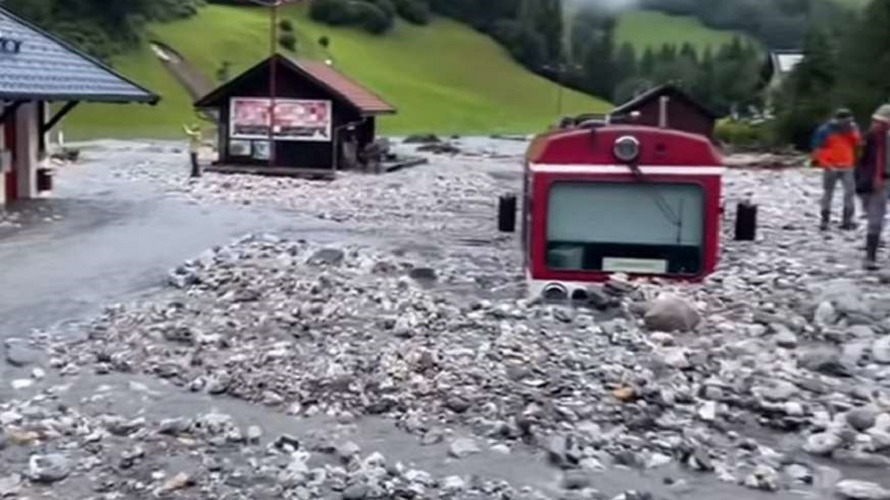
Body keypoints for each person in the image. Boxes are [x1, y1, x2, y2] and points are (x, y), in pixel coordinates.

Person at [811, 108, 861, 231]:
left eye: (849, 121)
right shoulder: (825, 130)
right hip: (831, 166)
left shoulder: (851, 129)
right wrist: (825, 164)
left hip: (847, 165)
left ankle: (847, 220)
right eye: (846, 121)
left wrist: (852, 131)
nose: (847, 124)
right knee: (828, 193)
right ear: (838, 120)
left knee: (849, 193)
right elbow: (817, 149)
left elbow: (857, 143)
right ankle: (825, 220)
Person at [854, 104, 890, 270]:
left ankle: (871, 255)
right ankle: (870, 254)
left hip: (883, 181)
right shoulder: (868, 139)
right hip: (872, 182)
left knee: (876, 217)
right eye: (878, 122)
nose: (879, 125)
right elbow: (859, 162)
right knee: (874, 217)